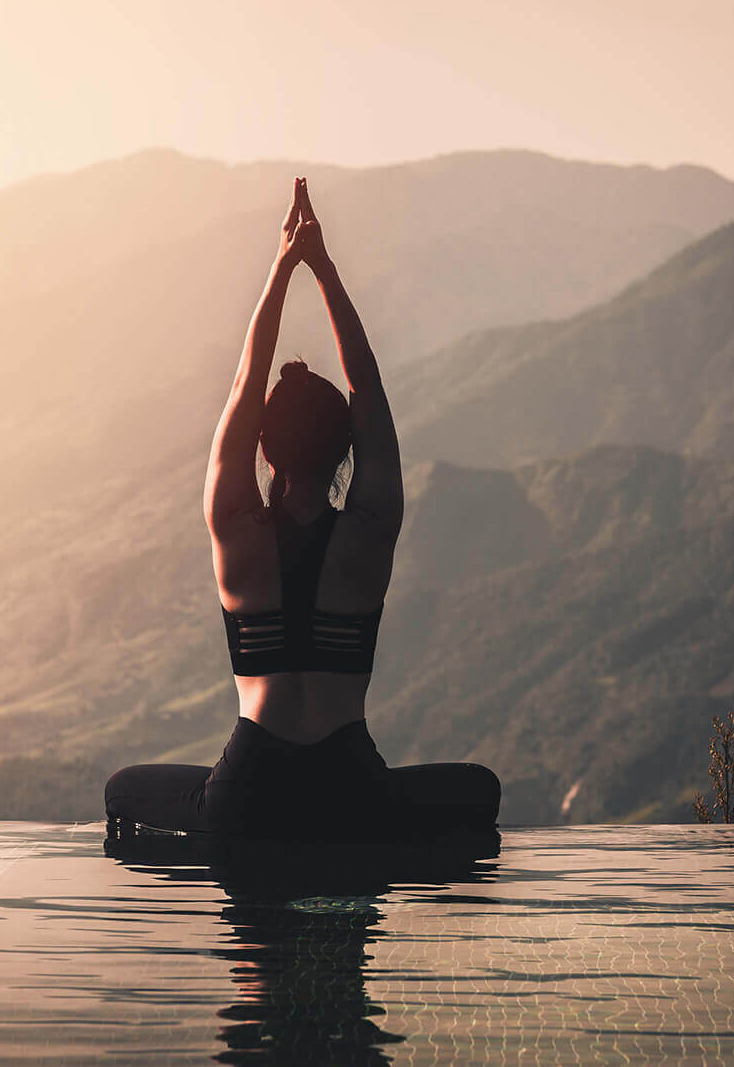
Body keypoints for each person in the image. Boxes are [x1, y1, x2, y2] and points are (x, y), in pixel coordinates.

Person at [105, 178, 499, 840]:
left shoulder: (234, 529)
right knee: (478, 789)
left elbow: (243, 385)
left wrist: (281, 267)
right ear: (345, 443)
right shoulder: (369, 529)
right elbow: (366, 384)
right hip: (352, 788)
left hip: (247, 792)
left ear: (264, 446)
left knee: (123, 790)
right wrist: (324, 268)